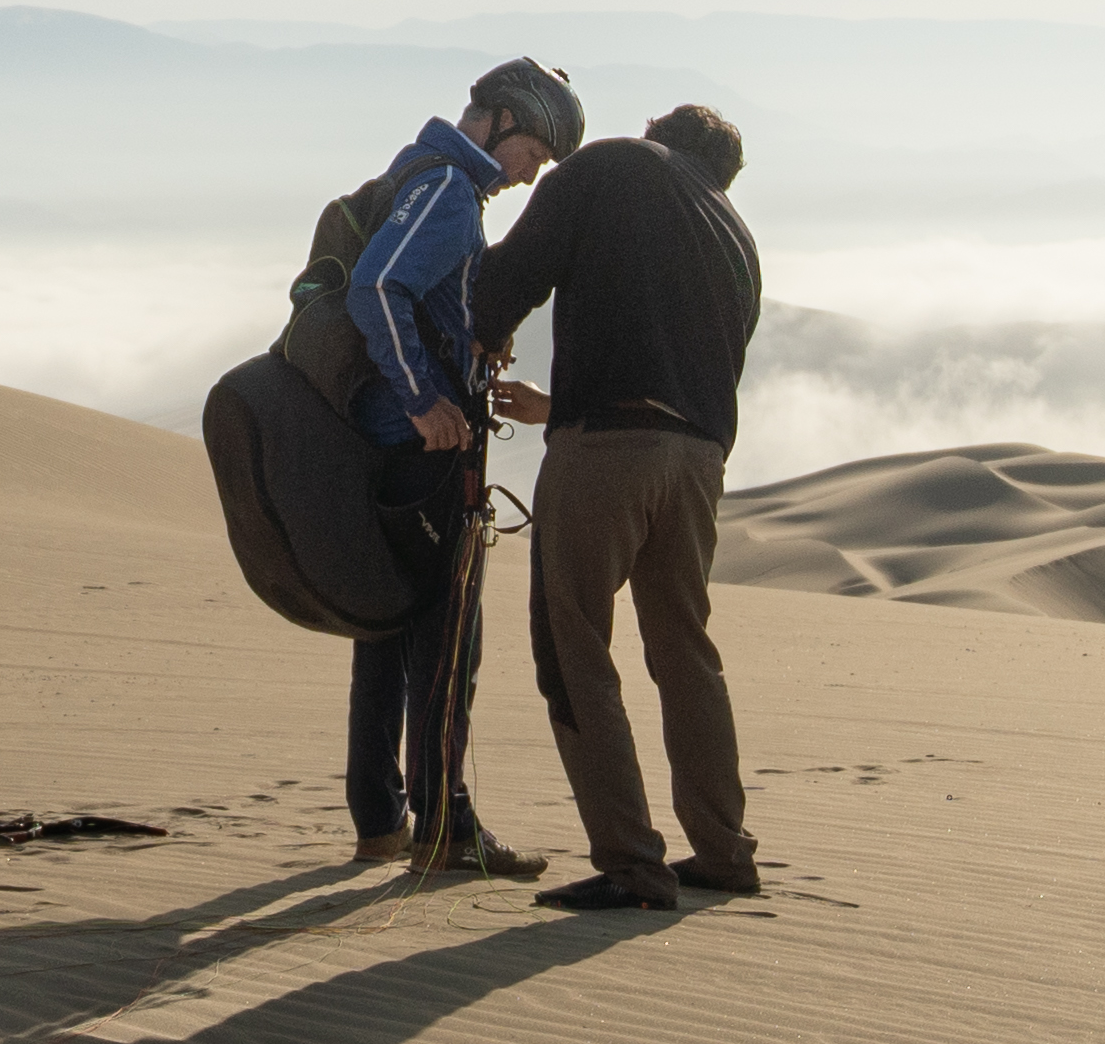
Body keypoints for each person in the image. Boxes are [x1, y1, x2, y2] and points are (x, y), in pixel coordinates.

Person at [288, 59, 582, 875]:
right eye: (537, 153)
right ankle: (445, 829)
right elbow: (379, 288)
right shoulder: (450, 188)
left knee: (383, 630)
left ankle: (379, 821)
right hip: (423, 453)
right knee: (449, 637)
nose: (531, 175)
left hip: (388, 445)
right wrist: (424, 397)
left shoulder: (418, 175)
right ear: (504, 122)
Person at [469, 100, 764, 913]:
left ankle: (633, 864)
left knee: (573, 650)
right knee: (682, 649)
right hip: (697, 465)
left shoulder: (610, 166)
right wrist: (559, 404)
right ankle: (725, 850)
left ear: (657, 137)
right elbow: (677, 362)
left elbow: (509, 279)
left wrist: (472, 331)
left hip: (607, 455)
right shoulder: (735, 236)